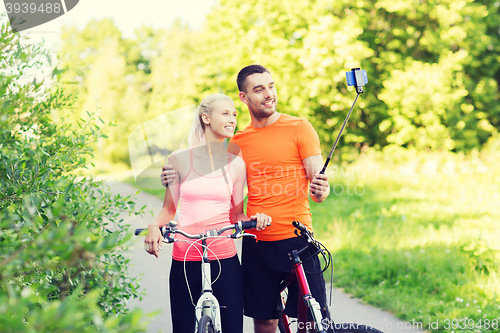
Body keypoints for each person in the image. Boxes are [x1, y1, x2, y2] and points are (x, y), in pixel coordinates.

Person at [161, 65, 331, 333]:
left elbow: (319, 187)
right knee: (264, 321)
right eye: (259, 89)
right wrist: (171, 175)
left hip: (297, 239)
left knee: (312, 320)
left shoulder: (300, 128)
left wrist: (321, 189)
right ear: (244, 96)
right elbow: (208, 175)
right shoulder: (236, 142)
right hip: (255, 242)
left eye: (271, 86)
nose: (268, 94)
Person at [145, 93, 271, 333]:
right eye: (225, 113)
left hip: (224, 257)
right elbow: (168, 210)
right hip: (185, 257)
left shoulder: (236, 164)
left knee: (233, 328)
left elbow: (237, 217)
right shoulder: (178, 159)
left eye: (234, 114)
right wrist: (154, 226)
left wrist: (255, 220)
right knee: (182, 328)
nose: (233, 119)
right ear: (205, 117)